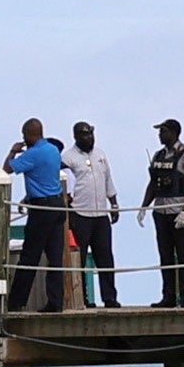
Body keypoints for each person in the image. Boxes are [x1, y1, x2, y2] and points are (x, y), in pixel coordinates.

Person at [5, 118, 68, 312]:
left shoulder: (32, 155)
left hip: (41, 208)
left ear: (29, 135)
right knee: (55, 257)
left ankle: (16, 302)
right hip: (58, 204)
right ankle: (55, 302)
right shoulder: (53, 150)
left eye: (24, 135)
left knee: (29, 256)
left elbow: (7, 169)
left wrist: (14, 151)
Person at [61, 121, 122, 308]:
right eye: (85, 135)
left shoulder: (100, 155)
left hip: (101, 213)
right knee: (79, 258)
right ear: (77, 136)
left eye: (91, 134)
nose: (90, 138)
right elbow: (65, 185)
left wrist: (113, 202)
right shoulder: (67, 158)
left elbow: (108, 179)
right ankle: (84, 298)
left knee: (105, 257)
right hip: (80, 213)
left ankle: (109, 297)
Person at [141, 118, 184, 306]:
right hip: (161, 211)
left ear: (174, 133)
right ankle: (168, 296)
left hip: (178, 211)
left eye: (163, 131)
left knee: (183, 255)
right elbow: (153, 183)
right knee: (165, 255)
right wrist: (144, 206)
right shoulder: (158, 156)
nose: (160, 135)